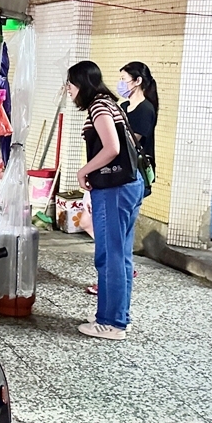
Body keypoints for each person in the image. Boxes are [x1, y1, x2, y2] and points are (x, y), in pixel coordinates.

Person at [67, 60, 144, 341]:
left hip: (115, 189)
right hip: (129, 185)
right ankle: (119, 317)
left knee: (109, 256)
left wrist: (83, 170)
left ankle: (110, 323)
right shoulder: (110, 103)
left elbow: (112, 148)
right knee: (121, 255)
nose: (69, 91)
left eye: (71, 85)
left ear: (83, 85)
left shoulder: (98, 106)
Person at [118, 61, 159, 197]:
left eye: (124, 79)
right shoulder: (123, 106)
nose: (121, 83)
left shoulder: (145, 109)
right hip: (122, 169)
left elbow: (131, 141)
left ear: (137, 81)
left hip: (135, 171)